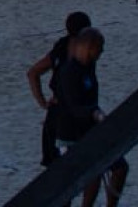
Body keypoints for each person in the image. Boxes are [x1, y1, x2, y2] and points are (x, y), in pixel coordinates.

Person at [52, 28, 128, 207]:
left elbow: (90, 99)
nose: (102, 51)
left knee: (120, 167)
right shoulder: (69, 72)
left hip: (91, 130)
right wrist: (94, 113)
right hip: (70, 136)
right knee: (92, 174)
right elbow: (73, 108)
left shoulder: (90, 66)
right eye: (100, 47)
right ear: (89, 47)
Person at [27, 11, 93, 167]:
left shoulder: (62, 46)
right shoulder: (84, 52)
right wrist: (44, 103)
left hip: (56, 115)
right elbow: (32, 73)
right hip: (68, 119)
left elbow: (33, 73)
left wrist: (43, 102)